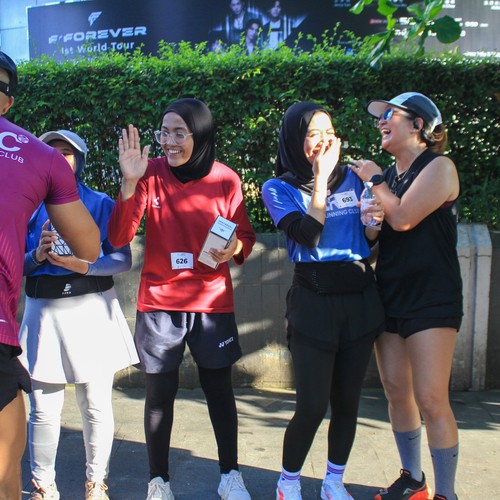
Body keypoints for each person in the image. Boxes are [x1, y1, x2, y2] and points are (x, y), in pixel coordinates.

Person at [107, 98, 256, 500]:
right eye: (164, 132)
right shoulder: (149, 173)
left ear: (200, 134)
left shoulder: (226, 179)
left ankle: (230, 476)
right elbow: (119, 236)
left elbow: (245, 236)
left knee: (220, 391)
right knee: (159, 396)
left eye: (179, 133)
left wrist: (233, 248)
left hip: (211, 302)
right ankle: (158, 481)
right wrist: (129, 183)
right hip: (160, 302)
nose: (169, 141)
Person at [261, 102, 385, 500]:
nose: (324, 140)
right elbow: (308, 235)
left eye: (329, 132)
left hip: (359, 297)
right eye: (313, 133)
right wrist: (320, 180)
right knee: (312, 405)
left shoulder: (355, 179)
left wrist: (373, 224)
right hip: (313, 301)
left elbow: (369, 241)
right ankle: (288, 483)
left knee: (347, 402)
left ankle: (334, 481)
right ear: (294, 139)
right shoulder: (277, 187)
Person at [349, 92, 462, 500]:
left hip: (432, 297)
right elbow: (378, 236)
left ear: (418, 125)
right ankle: (413, 480)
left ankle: (446, 493)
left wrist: (374, 181)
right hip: (390, 293)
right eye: (379, 116)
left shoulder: (439, 167)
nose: (381, 122)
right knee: (397, 390)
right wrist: (370, 225)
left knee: (431, 398)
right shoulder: (391, 178)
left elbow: (404, 218)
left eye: (390, 115)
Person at [0, 51, 100, 500]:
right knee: (5, 475)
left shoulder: (48, 165)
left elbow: (102, 253)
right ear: (9, 102)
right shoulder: (38, 159)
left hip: (51, 315)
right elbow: (90, 246)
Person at [19, 130, 140, 500]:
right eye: (51, 151)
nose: (58, 158)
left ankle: (96, 482)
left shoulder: (99, 202)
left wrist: (85, 265)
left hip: (91, 308)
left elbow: (122, 258)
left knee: (96, 405)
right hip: (43, 311)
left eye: (67, 153)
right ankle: (43, 486)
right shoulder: (26, 203)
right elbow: (12, 262)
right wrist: (36, 256)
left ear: (80, 159)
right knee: (43, 408)